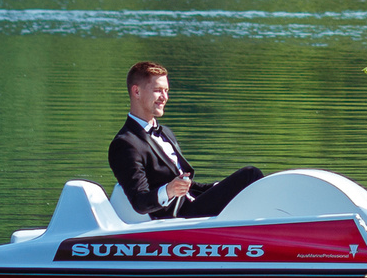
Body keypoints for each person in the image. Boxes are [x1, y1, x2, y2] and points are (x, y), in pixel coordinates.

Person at [107, 60, 264, 220]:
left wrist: (217, 187)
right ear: (137, 92)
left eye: (166, 91)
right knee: (250, 175)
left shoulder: (166, 132)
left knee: (249, 182)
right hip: (179, 217)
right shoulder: (125, 144)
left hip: (194, 203)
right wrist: (169, 190)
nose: (164, 97)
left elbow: (186, 184)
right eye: (158, 90)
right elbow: (140, 202)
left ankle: (269, 223)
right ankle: (271, 228)